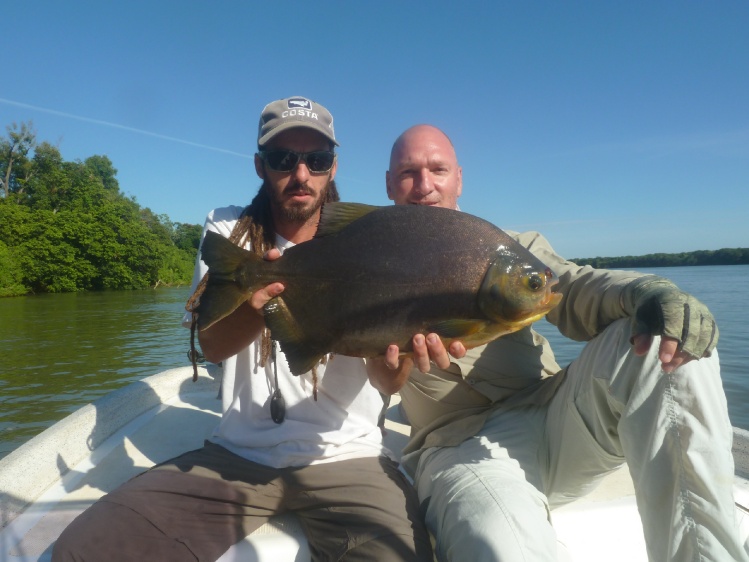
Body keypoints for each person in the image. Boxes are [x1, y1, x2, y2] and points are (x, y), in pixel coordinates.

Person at [52, 98, 433, 562]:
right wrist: (258, 307)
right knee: (85, 550)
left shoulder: (370, 238)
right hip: (239, 455)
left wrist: (401, 359)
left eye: (316, 159)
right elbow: (212, 347)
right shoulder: (230, 230)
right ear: (260, 165)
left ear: (333, 168)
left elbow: (387, 383)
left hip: (349, 456)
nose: (301, 174)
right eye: (282, 158)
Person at [370, 124, 748, 561]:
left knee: (667, 335)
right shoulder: (367, 275)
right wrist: (393, 368)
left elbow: (578, 286)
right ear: (388, 185)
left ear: (459, 179)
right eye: (407, 172)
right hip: (457, 445)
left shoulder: (510, 252)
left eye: (437, 169)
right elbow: (374, 380)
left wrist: (646, 291)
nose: (424, 186)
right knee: (498, 545)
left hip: (558, 416)